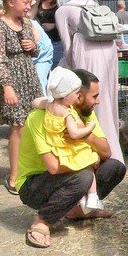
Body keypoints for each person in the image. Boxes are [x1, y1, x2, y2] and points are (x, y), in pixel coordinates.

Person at [16, 69, 126, 248]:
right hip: (34, 184)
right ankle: (42, 221)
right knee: (84, 176)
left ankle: (76, 211)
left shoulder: (83, 114)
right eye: (95, 96)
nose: (98, 101)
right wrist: (88, 160)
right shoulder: (40, 117)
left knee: (115, 168)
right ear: (78, 96)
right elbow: (53, 167)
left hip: (68, 172)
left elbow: (106, 153)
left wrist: (86, 136)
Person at [56, 0, 124, 165]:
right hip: (109, 53)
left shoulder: (62, 10)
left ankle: (92, 152)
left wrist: (71, 67)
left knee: (85, 102)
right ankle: (113, 150)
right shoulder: (96, 6)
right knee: (107, 101)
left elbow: (66, 45)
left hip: (85, 53)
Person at [0, 0, 43, 194]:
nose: (29, 6)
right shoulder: (0, 27)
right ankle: (14, 176)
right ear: (11, 2)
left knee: (34, 121)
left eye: (30, 2)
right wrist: (7, 87)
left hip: (29, 76)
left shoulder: (26, 23)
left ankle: (33, 170)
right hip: (12, 79)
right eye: (26, 2)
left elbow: (35, 52)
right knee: (18, 126)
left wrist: (33, 47)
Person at [32, 67, 103, 212]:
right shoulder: (67, 113)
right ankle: (92, 197)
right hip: (68, 147)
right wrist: (89, 128)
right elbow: (75, 134)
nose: (78, 97)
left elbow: (35, 102)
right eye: (76, 93)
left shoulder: (49, 106)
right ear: (66, 96)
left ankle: (80, 201)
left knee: (78, 174)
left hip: (56, 147)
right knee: (88, 163)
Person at [30, 0, 63, 68]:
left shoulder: (60, 1)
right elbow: (30, 17)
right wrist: (33, 0)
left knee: (55, 70)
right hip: (42, 43)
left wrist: (54, 25)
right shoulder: (40, 1)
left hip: (57, 43)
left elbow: (69, 22)